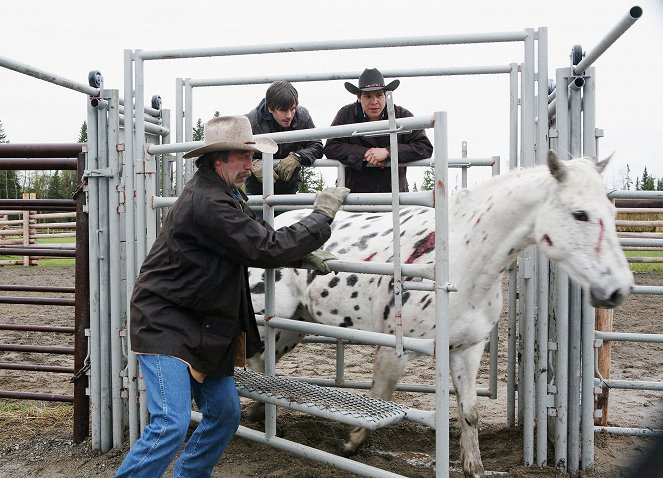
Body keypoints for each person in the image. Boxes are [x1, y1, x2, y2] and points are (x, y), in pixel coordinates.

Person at [114, 115, 349, 478]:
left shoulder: (227, 195)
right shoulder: (210, 202)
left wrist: (301, 254)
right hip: (165, 321)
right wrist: (320, 216)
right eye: (243, 157)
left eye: (251, 156)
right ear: (218, 159)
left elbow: (254, 239)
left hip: (201, 322)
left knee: (225, 414)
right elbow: (264, 247)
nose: (249, 165)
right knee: (169, 425)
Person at [323, 68, 433, 193]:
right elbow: (331, 146)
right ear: (359, 97)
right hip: (355, 193)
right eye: (368, 96)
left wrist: (388, 152)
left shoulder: (402, 115)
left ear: (386, 95)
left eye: (379, 95)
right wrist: (365, 153)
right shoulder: (346, 114)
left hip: (393, 193)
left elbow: (424, 147)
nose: (374, 102)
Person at [245, 80, 323, 197]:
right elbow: (235, 152)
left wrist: (297, 156)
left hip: (289, 189)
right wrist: (252, 164)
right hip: (256, 191)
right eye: (283, 110)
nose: (289, 115)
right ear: (270, 108)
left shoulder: (303, 117)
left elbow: (317, 145)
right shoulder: (251, 122)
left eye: (292, 109)